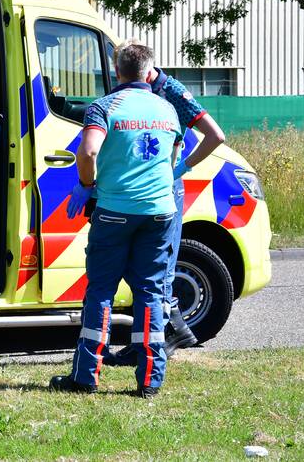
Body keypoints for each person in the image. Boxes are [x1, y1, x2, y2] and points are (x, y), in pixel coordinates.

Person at [49, 43, 182, 398]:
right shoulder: (167, 108)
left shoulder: (104, 107)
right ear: (149, 72)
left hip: (115, 211)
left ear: (117, 69)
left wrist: (85, 185)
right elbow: (171, 157)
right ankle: (151, 381)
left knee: (102, 291)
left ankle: (86, 376)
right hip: (160, 211)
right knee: (151, 292)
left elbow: (89, 150)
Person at [104, 41, 226, 365]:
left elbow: (215, 135)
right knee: (141, 268)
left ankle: (163, 339)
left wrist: (182, 168)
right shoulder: (140, 91)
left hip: (162, 191)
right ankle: (153, 338)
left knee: (159, 271)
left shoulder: (170, 90)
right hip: (141, 190)